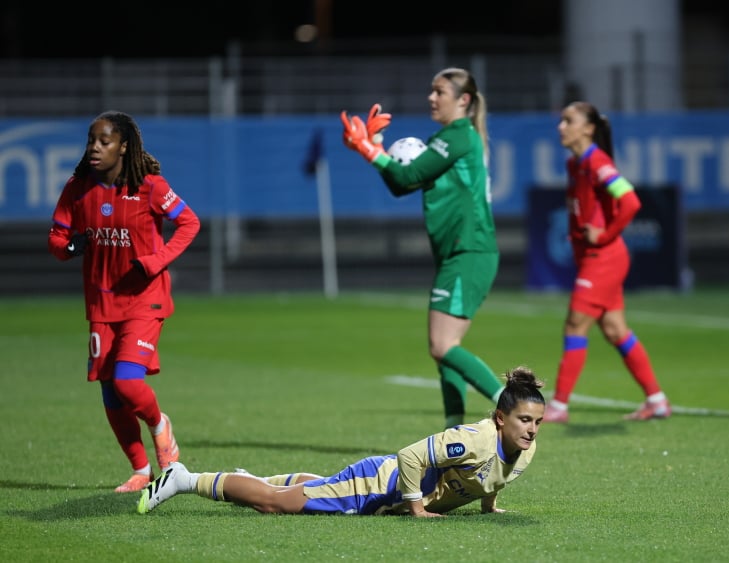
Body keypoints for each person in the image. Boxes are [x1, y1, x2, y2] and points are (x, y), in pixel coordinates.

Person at [138, 366, 545, 517]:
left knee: (309, 487)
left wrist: (490, 506)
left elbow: (494, 478)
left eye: (537, 422)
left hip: (380, 494)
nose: (531, 429)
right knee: (274, 505)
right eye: (524, 420)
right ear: (499, 418)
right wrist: (417, 510)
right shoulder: (473, 440)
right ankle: (183, 478)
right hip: (377, 484)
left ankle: (251, 479)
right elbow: (409, 457)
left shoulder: (524, 452)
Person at [340, 67, 504, 429]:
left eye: (440, 91)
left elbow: (408, 175)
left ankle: (515, 406)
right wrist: (377, 150)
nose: (432, 97)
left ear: (463, 100)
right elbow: (401, 184)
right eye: (431, 90)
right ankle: (454, 435)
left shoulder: (460, 136)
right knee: (447, 352)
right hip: (459, 254)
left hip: (470, 251)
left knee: (442, 346)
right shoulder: (446, 140)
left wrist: (368, 148)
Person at [47, 110, 201, 492]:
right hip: (102, 304)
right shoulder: (78, 187)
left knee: (127, 382)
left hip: (144, 298)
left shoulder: (149, 185)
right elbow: (57, 238)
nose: (95, 148)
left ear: (124, 147)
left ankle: (160, 425)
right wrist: (68, 247)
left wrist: (155, 261)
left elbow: (189, 222)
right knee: (110, 392)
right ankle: (140, 470)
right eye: (91, 141)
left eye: (105, 141)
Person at [541, 101, 671, 424]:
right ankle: (657, 401)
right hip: (595, 257)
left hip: (605, 258)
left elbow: (630, 200)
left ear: (588, 129)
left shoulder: (596, 162)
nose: (561, 126)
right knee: (615, 330)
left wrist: (605, 234)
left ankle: (558, 406)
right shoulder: (576, 165)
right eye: (561, 120)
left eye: (568, 121)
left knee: (575, 324)